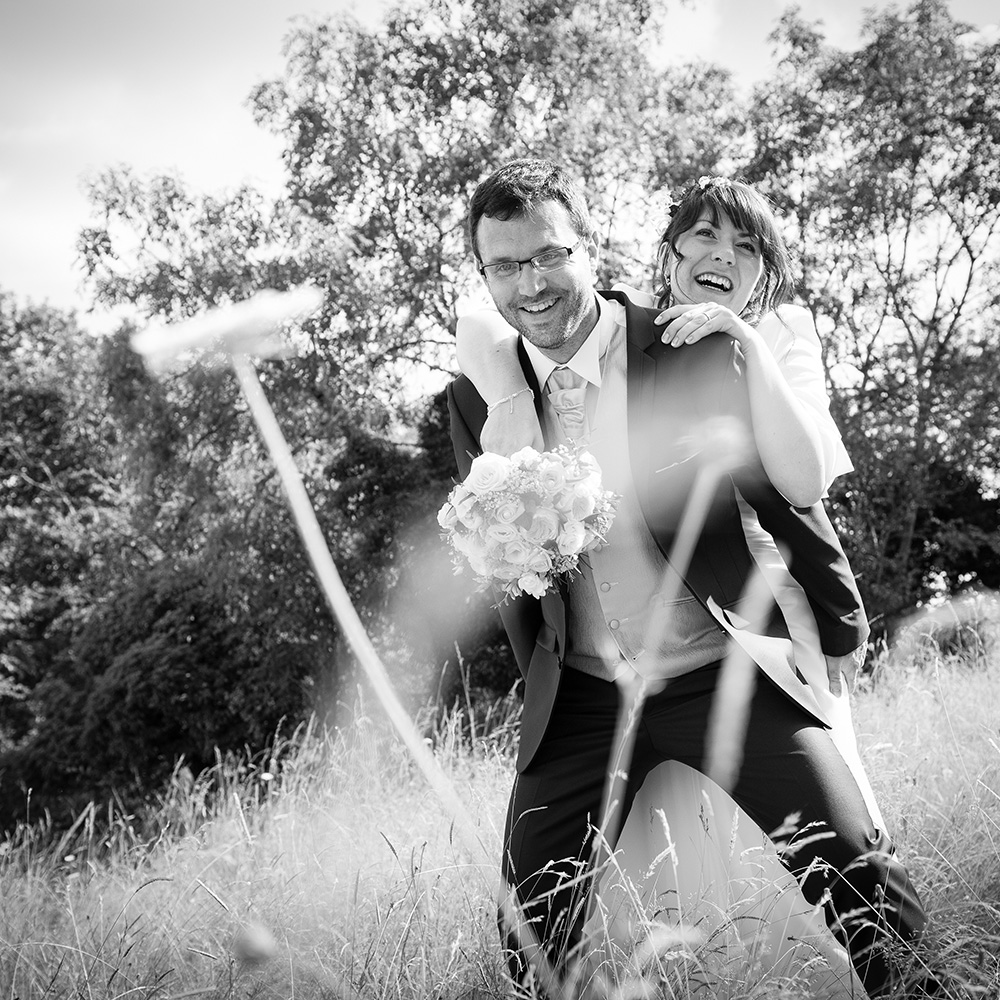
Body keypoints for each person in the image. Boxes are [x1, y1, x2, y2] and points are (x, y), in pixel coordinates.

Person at [446, 160, 933, 998]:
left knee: (858, 867)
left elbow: (783, 496)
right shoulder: (474, 399)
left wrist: (843, 625)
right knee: (527, 927)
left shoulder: (688, 347)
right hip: (586, 698)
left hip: (721, 671)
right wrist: (539, 680)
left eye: (549, 256)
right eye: (506, 266)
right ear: (485, 276)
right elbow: (506, 569)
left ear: (588, 250)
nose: (532, 284)